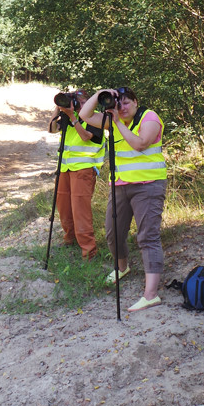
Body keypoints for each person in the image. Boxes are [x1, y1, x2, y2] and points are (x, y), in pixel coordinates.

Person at [79, 86, 167, 312]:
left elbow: (140, 144)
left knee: (147, 236)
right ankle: (122, 268)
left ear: (136, 102)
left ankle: (151, 294)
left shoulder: (149, 117)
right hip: (120, 185)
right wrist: (100, 94)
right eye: (119, 103)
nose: (123, 107)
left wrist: (117, 122)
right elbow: (84, 116)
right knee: (113, 232)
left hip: (148, 185)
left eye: (127, 102)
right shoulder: (112, 119)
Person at [49, 90, 106, 261]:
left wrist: (74, 118)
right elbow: (52, 129)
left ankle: (89, 251)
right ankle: (69, 238)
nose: (77, 105)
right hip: (65, 169)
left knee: (81, 210)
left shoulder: (94, 118)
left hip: (84, 169)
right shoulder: (67, 117)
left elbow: (86, 136)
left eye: (80, 101)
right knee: (64, 207)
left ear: (87, 103)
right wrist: (58, 110)